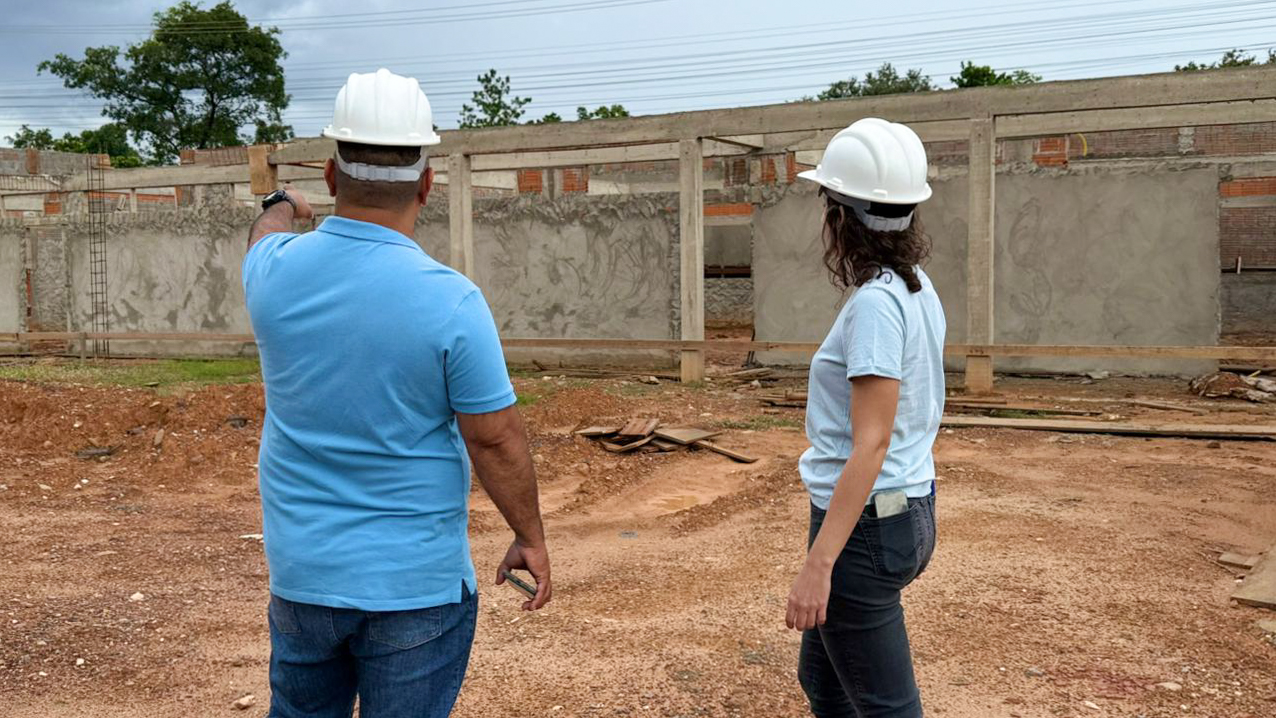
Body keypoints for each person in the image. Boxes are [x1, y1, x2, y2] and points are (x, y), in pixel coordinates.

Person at [242, 68, 551, 718]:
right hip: (415, 588)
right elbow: (494, 437)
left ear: (332, 176)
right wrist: (528, 533)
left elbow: (261, 236)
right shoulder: (452, 301)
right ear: (427, 184)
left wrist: (281, 201)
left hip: (303, 581)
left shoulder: (271, 276)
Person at [784, 118, 945, 718]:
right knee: (824, 681)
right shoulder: (915, 286)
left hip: (866, 529)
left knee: (885, 707)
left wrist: (817, 565)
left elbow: (871, 443)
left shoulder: (878, 305)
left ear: (841, 217)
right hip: (904, 510)